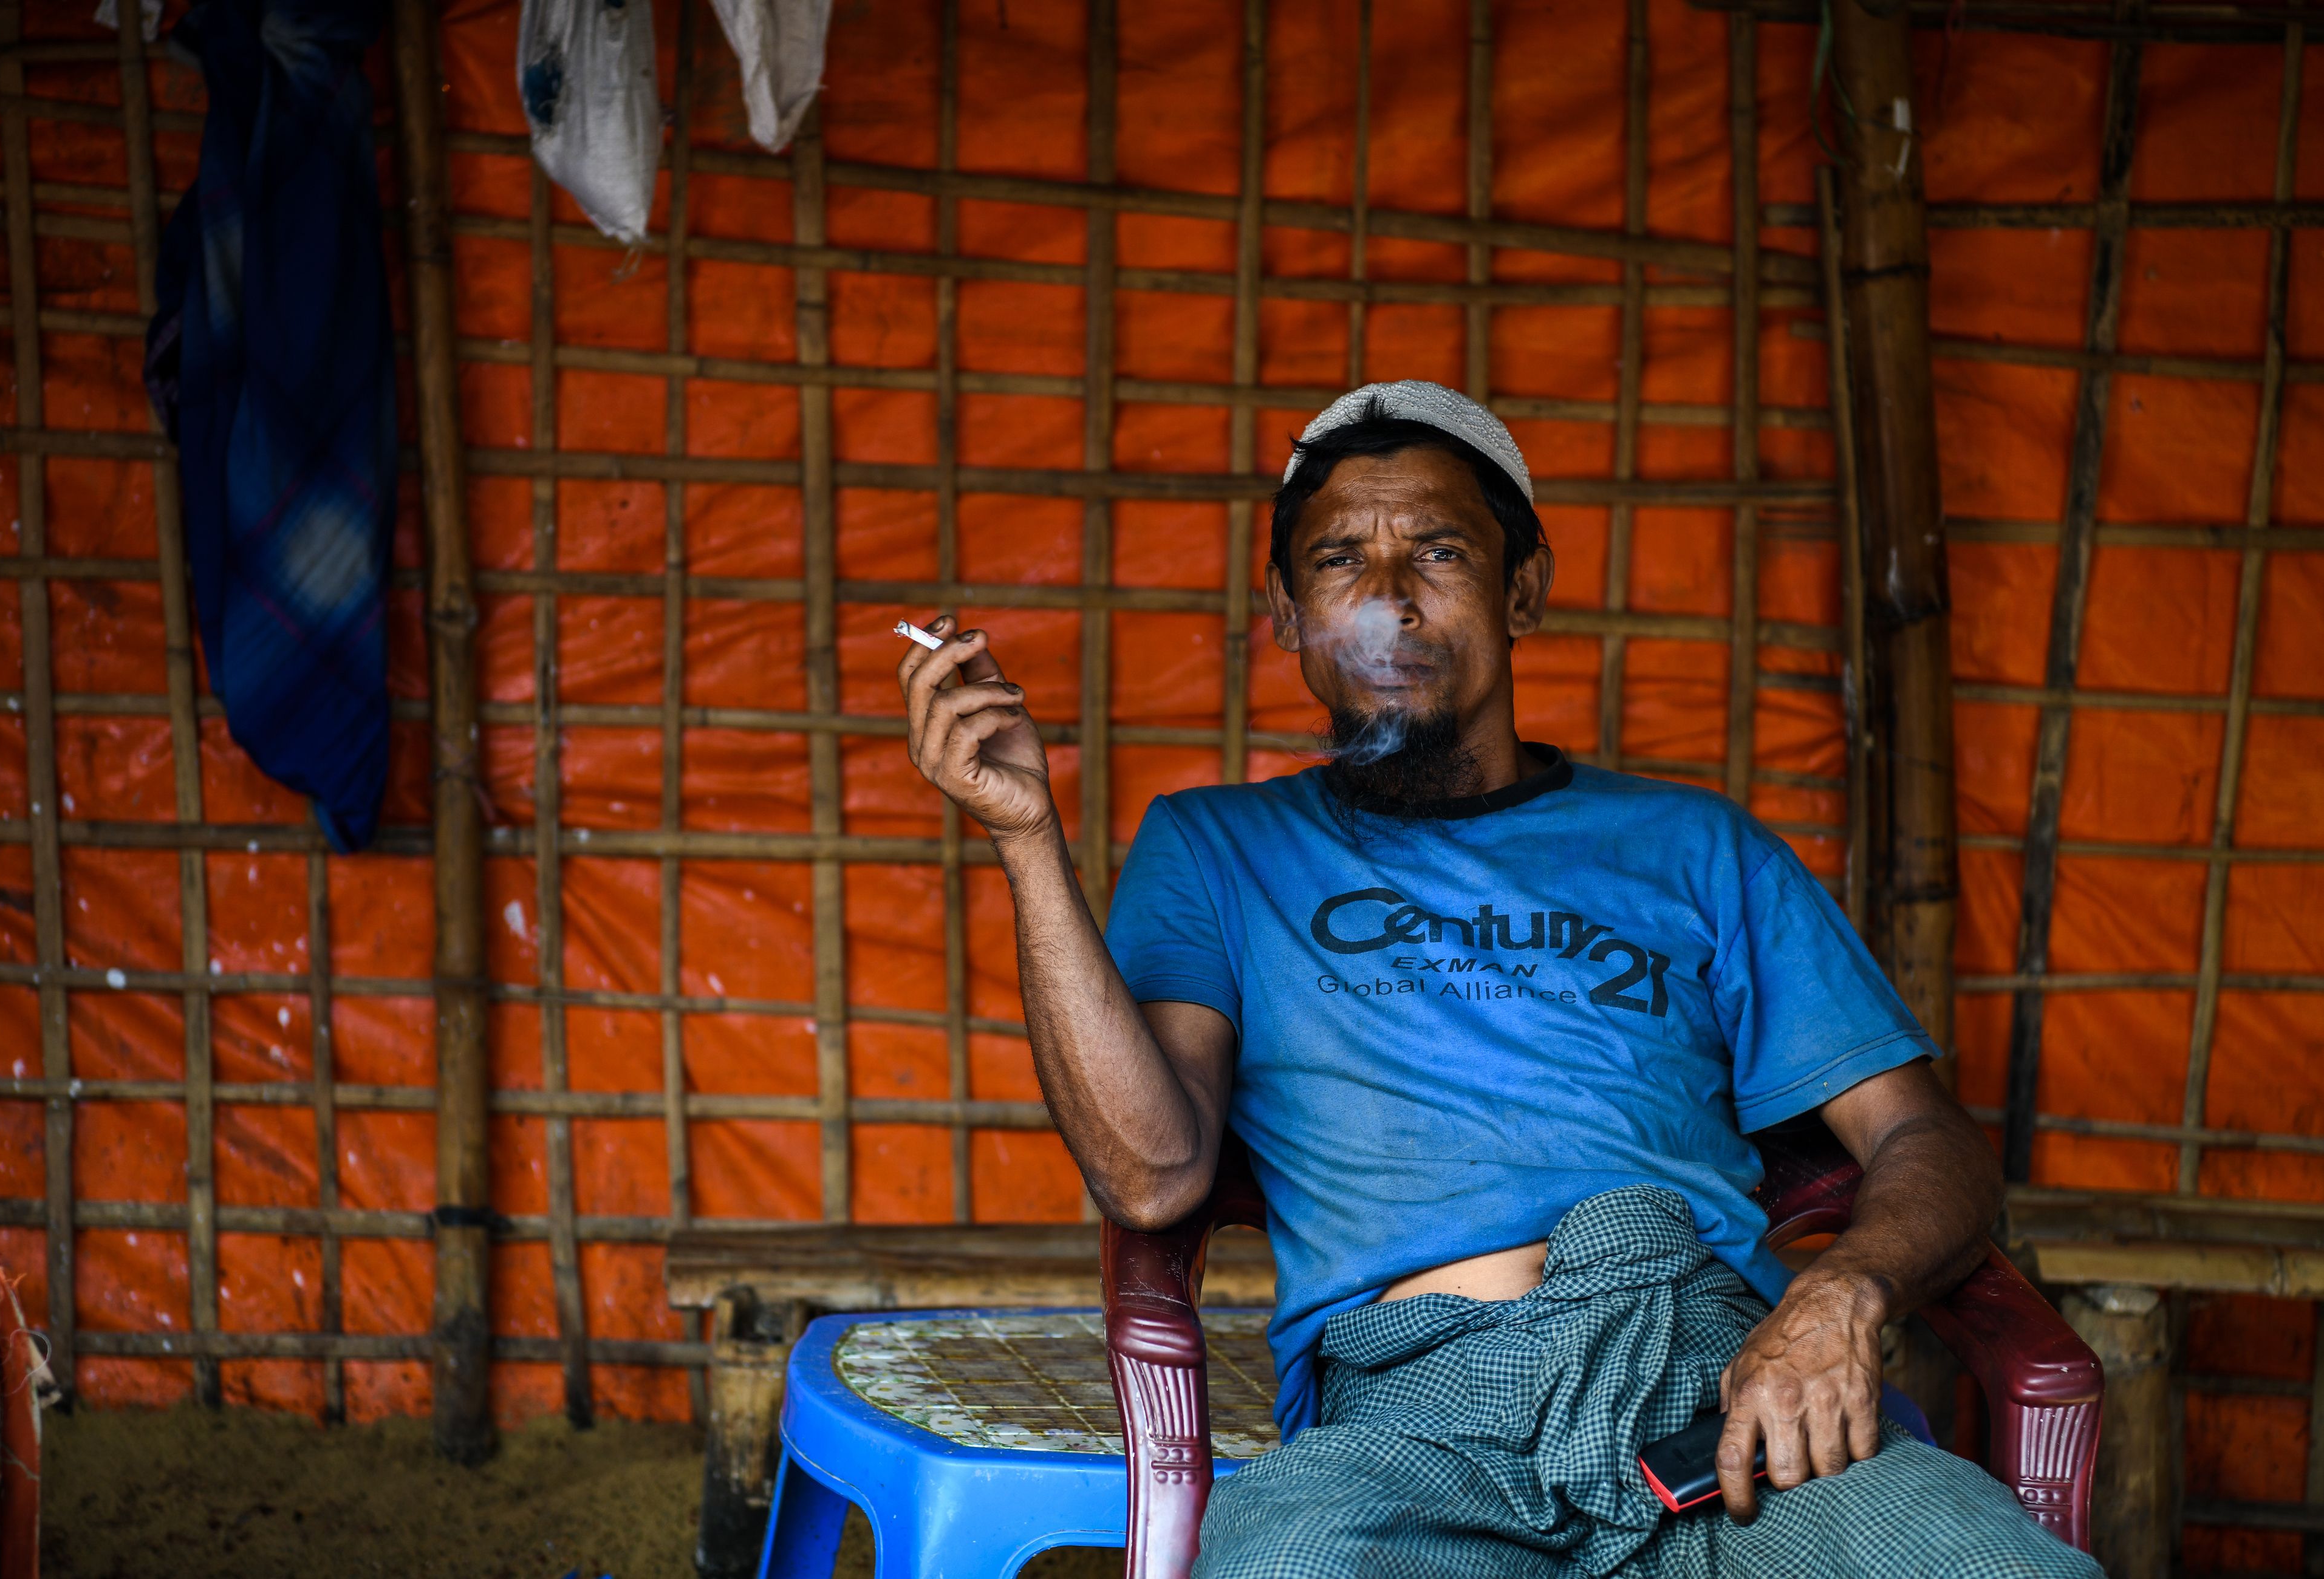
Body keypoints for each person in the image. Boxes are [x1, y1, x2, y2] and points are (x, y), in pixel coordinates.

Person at [894, 380, 2100, 1577]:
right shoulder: (1217, 851)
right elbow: (1152, 1176)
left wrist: (1842, 1291)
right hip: (1411, 1427)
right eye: (1338, 564)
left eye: (1440, 551)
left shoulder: (1700, 848)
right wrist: (1024, 839)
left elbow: (1926, 1140)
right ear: (1287, 613)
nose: (1389, 599)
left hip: (1719, 1393)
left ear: (1522, 588)